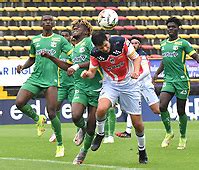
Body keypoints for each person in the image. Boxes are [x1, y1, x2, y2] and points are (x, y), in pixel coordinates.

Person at [41, 19, 103, 165]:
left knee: (92, 126)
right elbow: (67, 66)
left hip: (97, 88)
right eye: (73, 27)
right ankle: (81, 128)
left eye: (78, 27)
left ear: (87, 31)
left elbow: (96, 61)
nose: (74, 28)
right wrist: (51, 57)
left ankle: (83, 152)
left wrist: (77, 66)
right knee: (75, 116)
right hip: (80, 87)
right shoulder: (74, 48)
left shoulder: (89, 42)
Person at [81, 31, 148, 164]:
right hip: (111, 84)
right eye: (101, 48)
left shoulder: (121, 42)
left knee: (137, 124)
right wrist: (86, 73)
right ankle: (100, 134)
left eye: (105, 45)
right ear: (96, 47)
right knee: (101, 109)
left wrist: (135, 71)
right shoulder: (95, 53)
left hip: (129, 84)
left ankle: (142, 150)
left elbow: (136, 58)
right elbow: (92, 72)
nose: (105, 49)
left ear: (107, 39)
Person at [15, 15, 73, 157]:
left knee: (52, 112)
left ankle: (60, 144)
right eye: (45, 20)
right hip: (35, 78)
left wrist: (72, 64)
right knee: (19, 102)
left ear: (53, 23)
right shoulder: (35, 40)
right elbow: (32, 58)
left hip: (51, 80)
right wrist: (23, 66)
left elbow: (72, 55)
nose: (47, 22)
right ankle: (37, 119)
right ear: (41, 23)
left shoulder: (60, 40)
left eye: (50, 20)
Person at [153, 17, 199, 150]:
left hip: (182, 81)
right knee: (161, 106)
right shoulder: (163, 44)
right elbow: (165, 60)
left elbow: (196, 58)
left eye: (173, 27)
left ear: (178, 28)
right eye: (169, 27)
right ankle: (169, 133)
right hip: (168, 80)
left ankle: (183, 137)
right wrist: (157, 73)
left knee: (180, 110)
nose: (170, 29)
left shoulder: (183, 43)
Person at [115, 36, 160, 138]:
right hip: (135, 86)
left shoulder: (142, 55)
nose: (134, 45)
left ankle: (170, 121)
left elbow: (146, 71)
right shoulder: (129, 55)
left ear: (139, 45)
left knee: (157, 110)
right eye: (132, 43)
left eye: (136, 43)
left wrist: (135, 79)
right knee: (133, 108)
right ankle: (128, 131)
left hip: (145, 85)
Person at [49, 31, 75, 143]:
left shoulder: (73, 51)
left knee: (76, 110)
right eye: (62, 36)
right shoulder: (56, 52)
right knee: (54, 108)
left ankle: (79, 131)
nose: (64, 37)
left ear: (70, 38)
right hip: (60, 86)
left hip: (73, 84)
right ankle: (55, 132)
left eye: (66, 36)